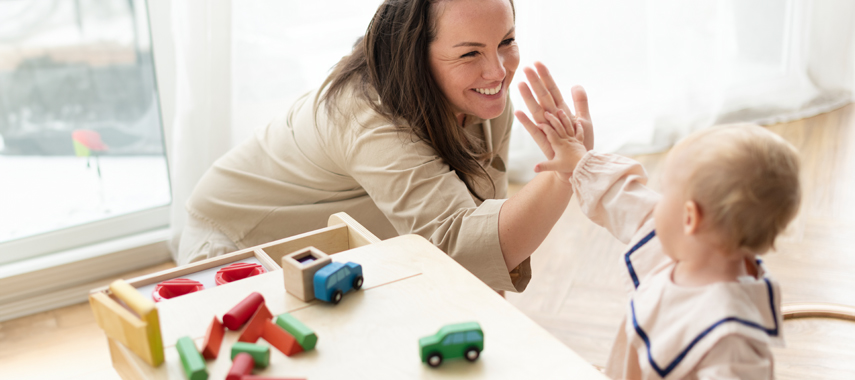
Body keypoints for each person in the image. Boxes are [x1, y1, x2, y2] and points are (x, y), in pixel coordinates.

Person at [178, 0, 592, 293]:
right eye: (469, 52)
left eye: (506, 40)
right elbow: (461, 247)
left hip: (340, 245)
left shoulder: (484, 99)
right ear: (414, 53)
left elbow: (484, 228)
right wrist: (563, 174)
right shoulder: (364, 115)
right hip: (236, 238)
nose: (498, 71)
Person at [521, 110, 800, 379]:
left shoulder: (731, 341)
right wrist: (578, 161)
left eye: (665, 191)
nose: (655, 199)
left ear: (690, 217)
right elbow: (625, 198)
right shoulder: (688, 245)